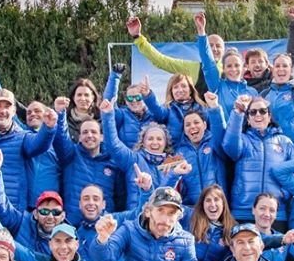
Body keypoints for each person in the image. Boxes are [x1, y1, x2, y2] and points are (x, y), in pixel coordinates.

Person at [0, 54, 60, 209]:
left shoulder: (56, 139)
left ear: (47, 113)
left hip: (50, 206)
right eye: (29, 112)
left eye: (37, 111)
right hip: (26, 206)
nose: (32, 114)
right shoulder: (21, 135)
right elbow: (2, 104)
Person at [0, 87, 57, 212]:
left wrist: (49, 128)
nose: (2, 111)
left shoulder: (23, 137)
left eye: (7, 107)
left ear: (13, 111)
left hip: (10, 213)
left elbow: (39, 144)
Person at [100, 98, 191, 209]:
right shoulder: (133, 159)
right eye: (150, 138)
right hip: (137, 216)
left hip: (163, 217)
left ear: (165, 143)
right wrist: (108, 116)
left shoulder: (173, 165)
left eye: (159, 139)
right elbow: (113, 145)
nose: (155, 142)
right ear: (143, 142)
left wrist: (175, 174)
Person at [222, 95, 294, 226]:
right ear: (248, 119)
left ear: (269, 116)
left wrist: (283, 194)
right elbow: (229, 146)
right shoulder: (242, 139)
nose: (258, 114)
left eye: (263, 111)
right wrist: (238, 113)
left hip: (275, 213)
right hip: (243, 211)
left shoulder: (285, 142)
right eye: (253, 112)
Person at [51, 96, 124, 224]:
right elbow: (61, 138)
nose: (89, 135)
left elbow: (120, 198)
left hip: (103, 225)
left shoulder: (113, 162)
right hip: (73, 224)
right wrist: (60, 114)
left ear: (101, 137)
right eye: (85, 132)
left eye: (93, 132)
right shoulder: (71, 155)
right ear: (79, 137)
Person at [0, 150, 66, 256]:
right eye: (44, 212)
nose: (50, 216)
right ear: (35, 214)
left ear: (63, 216)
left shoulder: (70, 239)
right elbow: (1, 208)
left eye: (56, 212)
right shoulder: (22, 223)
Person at [126, 15, 225, 94]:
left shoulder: (230, 71)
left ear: (224, 50)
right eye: (210, 45)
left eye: (218, 46)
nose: (214, 49)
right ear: (203, 48)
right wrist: (137, 37)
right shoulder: (194, 68)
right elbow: (162, 61)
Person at [195, 11, 259, 115]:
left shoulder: (252, 92)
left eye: (237, 65)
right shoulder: (217, 86)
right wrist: (201, 32)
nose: (233, 69)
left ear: (244, 68)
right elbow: (208, 63)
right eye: (229, 66)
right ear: (223, 69)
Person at [172, 94, 228, 206]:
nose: (192, 126)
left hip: (217, 204)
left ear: (205, 125)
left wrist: (214, 108)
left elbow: (219, 129)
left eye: (196, 122)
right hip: (193, 208)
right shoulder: (179, 152)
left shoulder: (215, 143)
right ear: (184, 130)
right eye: (188, 125)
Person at [244, 6, 294, 93]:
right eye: (253, 62)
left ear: (267, 64)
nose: (257, 65)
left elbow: (292, 54)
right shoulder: (241, 86)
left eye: (260, 61)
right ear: (247, 66)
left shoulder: (277, 80)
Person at [189, 185, 237, 261]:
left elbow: (253, 237)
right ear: (202, 204)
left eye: (216, 199)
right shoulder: (190, 219)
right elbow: (167, 201)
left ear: (223, 204)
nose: (212, 204)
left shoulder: (232, 229)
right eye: (208, 200)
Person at [145, 73, 206, 149]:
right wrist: (148, 95)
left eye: (183, 86)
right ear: (171, 91)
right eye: (176, 87)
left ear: (190, 90)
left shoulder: (201, 108)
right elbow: (157, 111)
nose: (180, 90)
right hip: (176, 153)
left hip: (199, 152)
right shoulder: (168, 109)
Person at [103, 63, 157, 148]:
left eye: (138, 97)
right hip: (127, 156)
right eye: (130, 98)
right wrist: (115, 77)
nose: (134, 101)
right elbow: (109, 102)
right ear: (126, 101)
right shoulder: (122, 115)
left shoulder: (154, 115)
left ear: (144, 98)